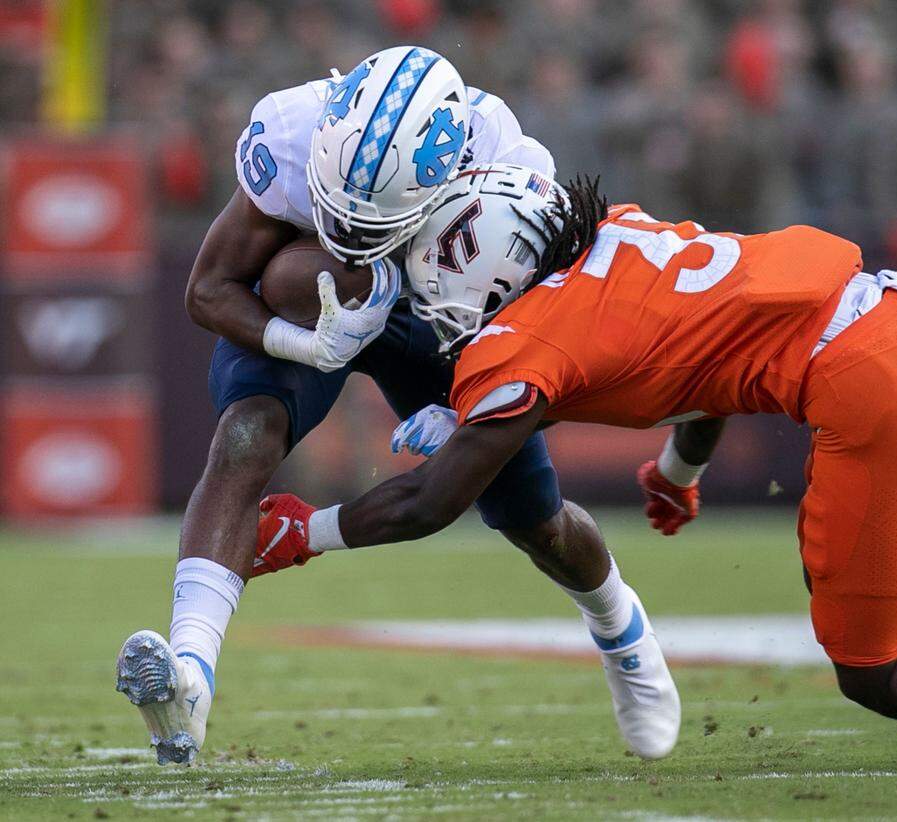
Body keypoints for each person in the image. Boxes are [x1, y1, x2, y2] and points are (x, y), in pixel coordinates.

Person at [257, 164, 897, 745]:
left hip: (866, 378)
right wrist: (678, 474)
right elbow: (710, 374)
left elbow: (430, 499)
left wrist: (307, 532)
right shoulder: (615, 234)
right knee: (857, 587)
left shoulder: (522, 341)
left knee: (875, 668)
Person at [114, 48, 679, 766]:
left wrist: (468, 409)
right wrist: (302, 343)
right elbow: (209, 289)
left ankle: (621, 630)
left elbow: (558, 356)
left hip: (447, 319)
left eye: (367, 216)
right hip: (317, 309)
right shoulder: (289, 130)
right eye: (331, 203)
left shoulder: (508, 168)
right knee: (244, 436)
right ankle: (189, 678)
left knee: (536, 520)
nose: (345, 225)